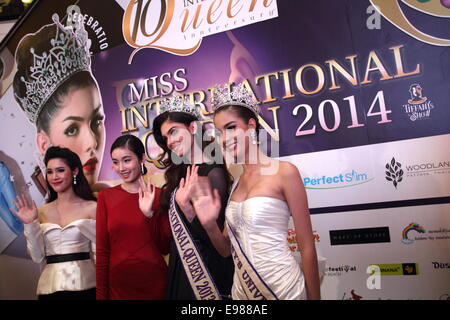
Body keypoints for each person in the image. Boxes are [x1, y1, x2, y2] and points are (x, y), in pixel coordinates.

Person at [190, 83, 321, 300]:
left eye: (231, 127)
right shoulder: (235, 185)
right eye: (220, 132)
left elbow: (307, 247)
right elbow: (225, 250)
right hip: (242, 293)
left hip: (283, 290)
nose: (224, 138)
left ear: (251, 126)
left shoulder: (285, 172)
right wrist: (209, 224)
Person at [13, 14, 108, 193]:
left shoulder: (114, 198)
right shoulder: (45, 216)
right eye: (72, 129)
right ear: (44, 144)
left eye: (96, 121)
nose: (92, 142)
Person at [152, 94, 234, 300]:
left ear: (193, 128)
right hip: (181, 265)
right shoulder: (178, 173)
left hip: (205, 271)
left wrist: (188, 212)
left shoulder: (213, 171)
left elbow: (219, 243)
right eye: (165, 138)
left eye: (173, 132)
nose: (169, 142)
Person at [10, 146, 97, 300]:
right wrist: (30, 224)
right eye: (49, 172)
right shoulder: (40, 212)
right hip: (49, 290)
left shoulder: (92, 207)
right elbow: (37, 257)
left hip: (86, 287)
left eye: (60, 170)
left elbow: (100, 254)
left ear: (75, 171)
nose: (54, 177)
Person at [96, 134, 171, 299]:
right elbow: (102, 251)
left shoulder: (160, 196)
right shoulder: (105, 197)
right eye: (115, 162)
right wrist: (101, 295)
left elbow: (166, 248)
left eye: (126, 160)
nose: (121, 168)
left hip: (154, 285)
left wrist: (149, 215)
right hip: (119, 287)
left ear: (142, 159)